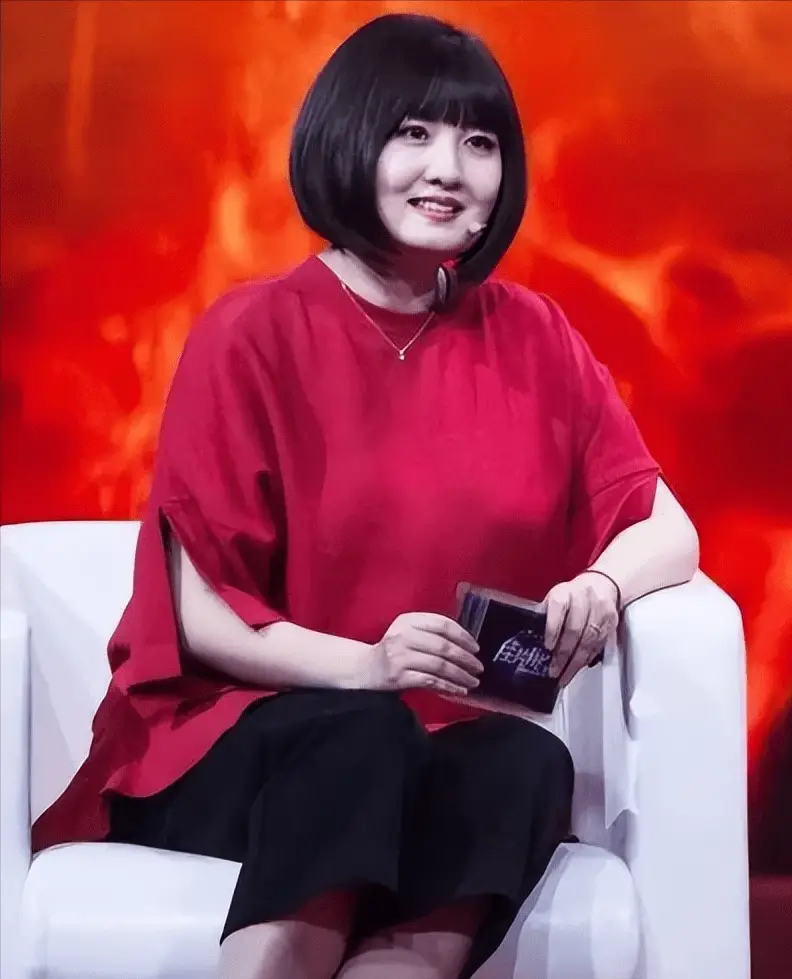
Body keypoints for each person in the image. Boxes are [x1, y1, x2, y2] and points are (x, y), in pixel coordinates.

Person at [32, 13, 700, 979]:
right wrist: (370, 666)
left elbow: (666, 530)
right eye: (413, 133)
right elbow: (200, 616)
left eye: (479, 143)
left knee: (523, 761)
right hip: (227, 736)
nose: (448, 169)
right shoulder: (249, 332)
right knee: (363, 739)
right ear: (349, 141)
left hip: (423, 741)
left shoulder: (534, 336)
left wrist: (603, 583)